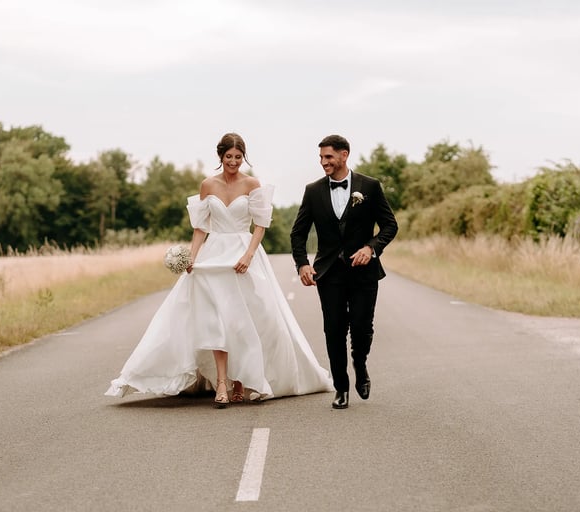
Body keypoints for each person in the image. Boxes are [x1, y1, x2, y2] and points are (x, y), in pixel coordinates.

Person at [106, 132, 332, 407]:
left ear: (243, 158)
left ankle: (242, 382)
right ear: (220, 157)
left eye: (238, 157)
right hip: (214, 257)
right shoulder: (207, 185)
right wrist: (192, 257)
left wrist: (249, 255)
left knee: (243, 319)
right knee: (215, 322)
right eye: (229, 157)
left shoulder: (252, 184)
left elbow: (260, 225)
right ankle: (222, 383)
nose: (234, 162)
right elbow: (201, 227)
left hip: (243, 253)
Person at [290, 134, 398, 409]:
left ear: (344, 155)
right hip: (329, 274)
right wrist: (303, 263)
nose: (323, 162)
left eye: (328, 157)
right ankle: (341, 387)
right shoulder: (313, 191)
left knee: (362, 330)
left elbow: (389, 226)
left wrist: (371, 248)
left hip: (364, 273)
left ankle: (359, 364)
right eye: (321, 158)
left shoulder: (370, 187)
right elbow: (298, 232)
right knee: (334, 330)